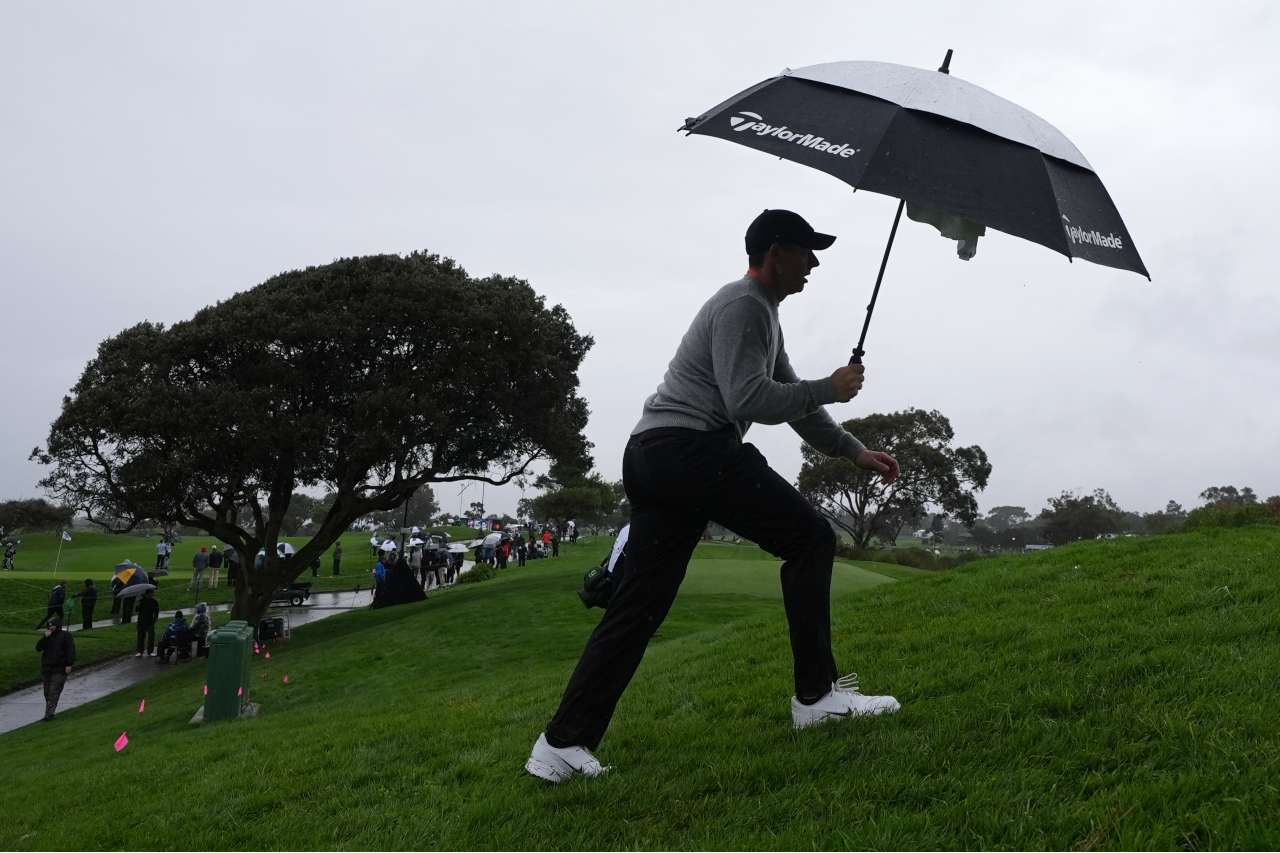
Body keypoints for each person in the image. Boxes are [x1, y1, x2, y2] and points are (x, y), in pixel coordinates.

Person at [526, 209, 903, 783]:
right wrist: (830, 385)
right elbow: (749, 398)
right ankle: (817, 698)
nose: (815, 262)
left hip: (655, 455)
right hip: (689, 449)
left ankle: (561, 744)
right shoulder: (743, 305)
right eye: (807, 250)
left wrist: (853, 450)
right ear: (776, 252)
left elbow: (791, 401)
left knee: (639, 606)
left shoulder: (762, 314)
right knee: (810, 539)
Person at [35, 616, 75, 722]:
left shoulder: (65, 636)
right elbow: (38, 648)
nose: (50, 627)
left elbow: (70, 650)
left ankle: (49, 715)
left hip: (60, 668)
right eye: (49, 626)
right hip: (47, 668)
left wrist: (68, 664)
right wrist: (44, 638)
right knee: (47, 693)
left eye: (52, 625)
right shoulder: (48, 637)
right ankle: (49, 711)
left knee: (54, 692)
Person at [135, 589, 160, 657]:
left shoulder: (154, 602)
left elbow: (156, 613)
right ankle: (140, 651)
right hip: (141, 621)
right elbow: (137, 610)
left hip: (150, 621)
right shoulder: (141, 602)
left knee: (151, 636)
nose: (150, 595)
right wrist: (138, 605)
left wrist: (153, 620)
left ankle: (150, 651)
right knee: (140, 636)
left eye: (151, 593)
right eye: (149, 593)